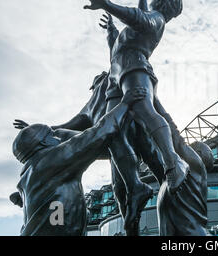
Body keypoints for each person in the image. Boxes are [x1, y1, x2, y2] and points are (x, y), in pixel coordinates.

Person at [13, 66, 165, 236]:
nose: (58, 138)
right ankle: (137, 188)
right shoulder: (53, 159)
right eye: (51, 136)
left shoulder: (30, 175)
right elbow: (99, 132)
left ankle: (137, 188)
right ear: (41, 144)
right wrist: (125, 103)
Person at [76, 0, 189, 198]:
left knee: (144, 110)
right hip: (118, 74)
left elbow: (139, 16)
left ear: (163, 2)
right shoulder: (150, 18)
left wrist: (106, 4)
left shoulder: (156, 19)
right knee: (113, 130)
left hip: (134, 65)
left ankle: (173, 161)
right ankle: (132, 185)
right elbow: (122, 40)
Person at [157, 138, 214, 236]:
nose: (213, 158)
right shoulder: (171, 178)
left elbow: (176, 140)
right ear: (198, 152)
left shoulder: (197, 165)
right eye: (210, 153)